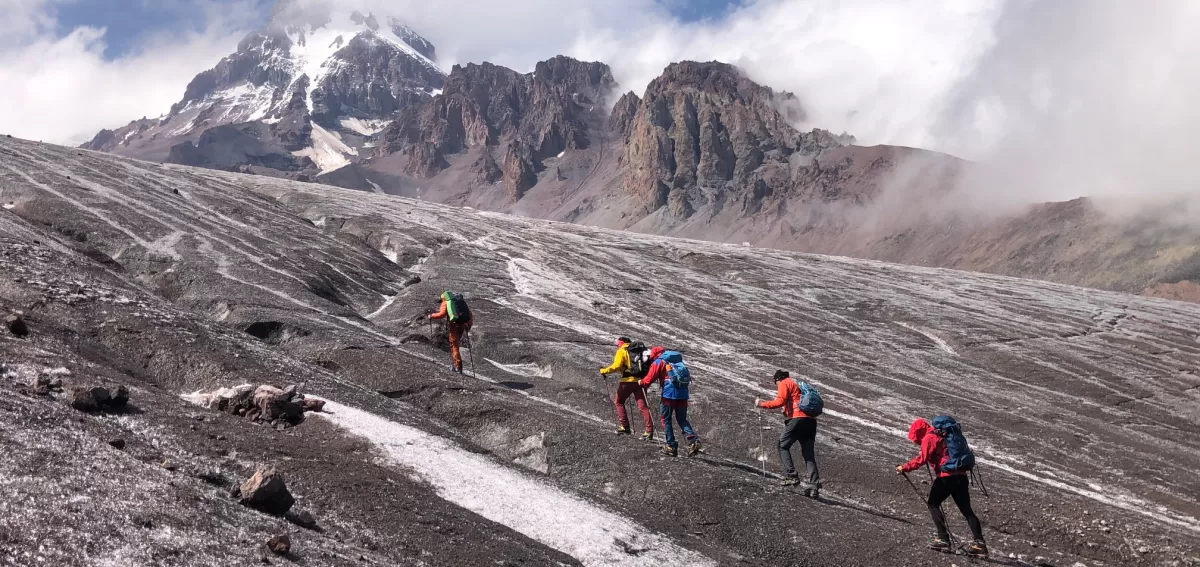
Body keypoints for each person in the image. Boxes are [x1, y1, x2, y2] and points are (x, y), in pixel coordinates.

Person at [896, 418, 988, 558]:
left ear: (918, 432)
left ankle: (943, 539)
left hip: (947, 477)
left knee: (933, 503)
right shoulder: (944, 435)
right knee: (967, 510)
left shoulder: (929, 438)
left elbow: (922, 459)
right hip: (961, 476)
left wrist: (904, 467)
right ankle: (980, 544)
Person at [755, 370, 821, 497]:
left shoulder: (784, 383)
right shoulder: (797, 385)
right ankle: (814, 486)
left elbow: (779, 401)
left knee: (782, 445)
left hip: (797, 420)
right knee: (808, 455)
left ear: (777, 379)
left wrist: (761, 404)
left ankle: (792, 475)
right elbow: (791, 404)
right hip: (811, 422)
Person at [639, 346, 700, 457]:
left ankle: (671, 446)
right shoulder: (677, 359)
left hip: (669, 394)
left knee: (666, 419)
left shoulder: (659, 361)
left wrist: (641, 382)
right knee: (682, 419)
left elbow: (649, 378)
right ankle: (693, 441)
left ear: (653, 355)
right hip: (683, 393)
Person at [599, 337, 654, 439]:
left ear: (622, 343)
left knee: (619, 402)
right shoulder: (639, 351)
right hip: (641, 381)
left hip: (627, 382)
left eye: (618, 344)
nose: (617, 345)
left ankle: (625, 426)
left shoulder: (622, 351)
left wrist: (604, 371)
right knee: (643, 406)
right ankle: (649, 431)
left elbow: (616, 366)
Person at [428, 291, 472, 373]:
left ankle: (457, 367)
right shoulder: (461, 303)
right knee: (456, 345)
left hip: (454, 325)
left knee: (454, 346)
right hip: (462, 325)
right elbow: (469, 315)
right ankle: (455, 364)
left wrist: (431, 316)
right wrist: (468, 326)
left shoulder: (446, 302)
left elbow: (441, 314)